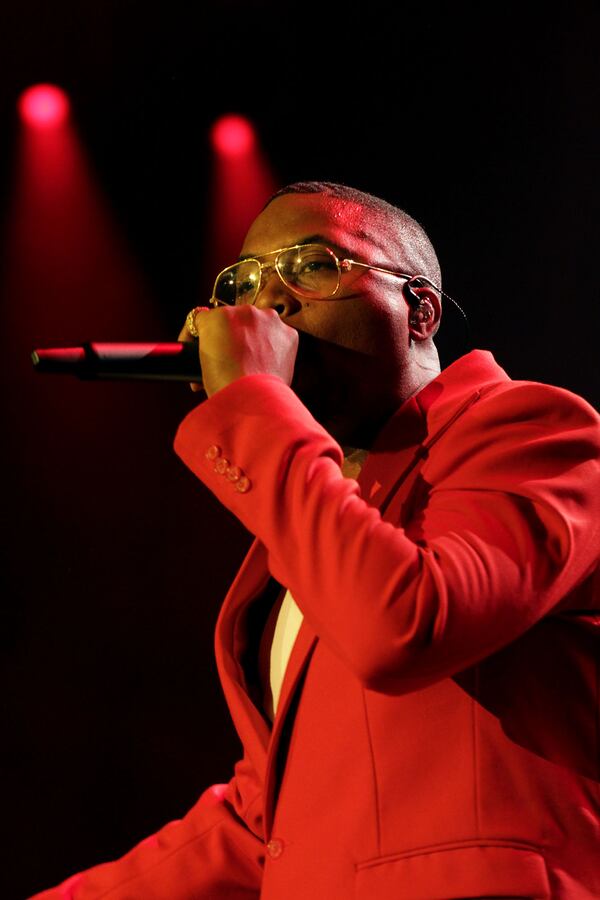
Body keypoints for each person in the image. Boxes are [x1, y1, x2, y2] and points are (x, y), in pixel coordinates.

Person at [31, 182, 600, 899]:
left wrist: (250, 406)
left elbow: (404, 623)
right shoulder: (316, 519)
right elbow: (264, 823)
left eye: (311, 266)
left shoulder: (532, 430)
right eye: (243, 283)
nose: (268, 303)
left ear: (418, 308)